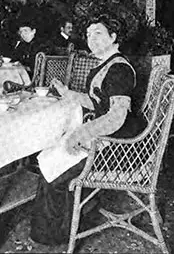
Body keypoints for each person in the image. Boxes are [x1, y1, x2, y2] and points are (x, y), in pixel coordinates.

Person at [30, 13, 146, 246]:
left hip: (121, 148)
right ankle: (57, 227)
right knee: (51, 156)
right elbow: (98, 102)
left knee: (55, 167)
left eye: (98, 33)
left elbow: (116, 116)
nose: (91, 39)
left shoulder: (119, 70)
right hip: (109, 140)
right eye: (88, 34)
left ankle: (54, 234)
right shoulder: (109, 65)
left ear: (114, 37)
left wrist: (80, 134)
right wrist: (67, 93)